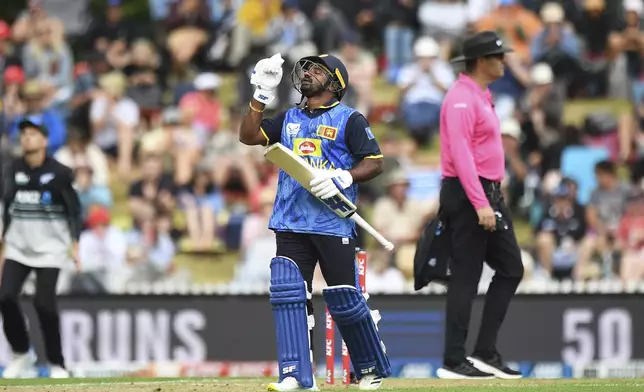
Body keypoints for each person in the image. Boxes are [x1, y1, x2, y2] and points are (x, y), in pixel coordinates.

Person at [239, 53, 391, 391]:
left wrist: (344, 177)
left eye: (317, 70)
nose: (307, 73)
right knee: (290, 295)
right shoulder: (289, 118)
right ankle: (296, 374)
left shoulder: (350, 119)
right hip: (290, 221)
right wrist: (260, 94)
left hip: (333, 222)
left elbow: (375, 162)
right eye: (306, 68)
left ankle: (367, 368)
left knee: (343, 297)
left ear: (336, 82)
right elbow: (249, 136)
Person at [436, 31, 524, 380]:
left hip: (486, 192)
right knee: (467, 277)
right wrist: (480, 203)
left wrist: (488, 198)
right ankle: (454, 360)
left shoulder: (478, 94)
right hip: (469, 193)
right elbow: (460, 156)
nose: (504, 61)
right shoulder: (460, 98)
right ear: (480, 61)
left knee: (510, 267)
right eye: (498, 56)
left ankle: (485, 352)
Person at [0, 116, 81, 379]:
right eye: (23, 134)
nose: (27, 138)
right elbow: (8, 209)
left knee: (44, 305)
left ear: (45, 140)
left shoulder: (60, 173)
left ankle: (57, 363)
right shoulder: (12, 169)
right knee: (5, 298)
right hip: (19, 247)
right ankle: (22, 355)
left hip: (50, 250)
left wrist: (75, 245)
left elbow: (74, 211)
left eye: (33, 134)